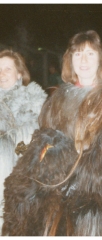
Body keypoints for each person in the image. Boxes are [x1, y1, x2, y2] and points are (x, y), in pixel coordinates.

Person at [2, 30, 102, 236]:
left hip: (100, 199)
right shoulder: (58, 99)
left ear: (101, 60)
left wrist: (83, 181)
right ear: (70, 59)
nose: (83, 60)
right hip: (57, 195)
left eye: (90, 54)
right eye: (77, 54)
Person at [0, 49, 47, 234]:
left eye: (7, 69)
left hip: (17, 174)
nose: (1, 74)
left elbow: (27, 145)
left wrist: (6, 147)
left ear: (19, 73)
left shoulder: (33, 100)